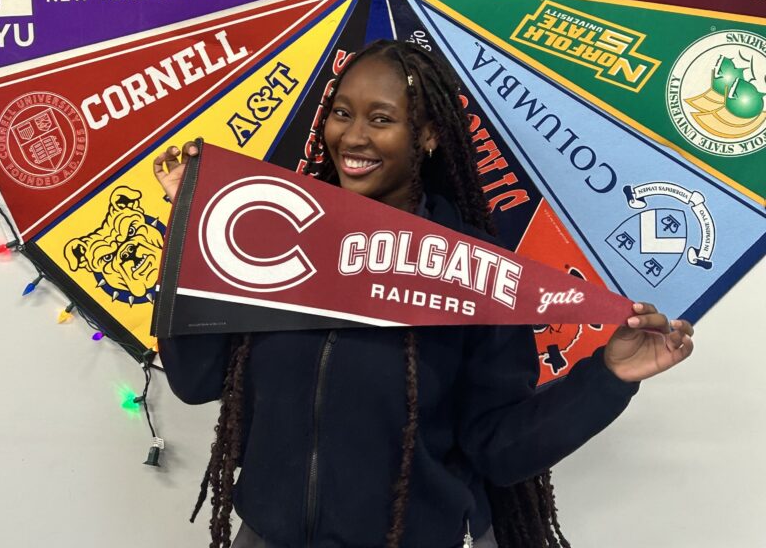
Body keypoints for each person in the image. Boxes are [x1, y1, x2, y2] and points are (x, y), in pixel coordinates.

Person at [153, 40, 694, 548]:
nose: (353, 137)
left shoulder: (475, 273)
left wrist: (608, 379)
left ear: (429, 135)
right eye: (342, 113)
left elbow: (498, 450)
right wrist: (186, 238)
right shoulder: (270, 241)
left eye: (381, 119)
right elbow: (195, 382)